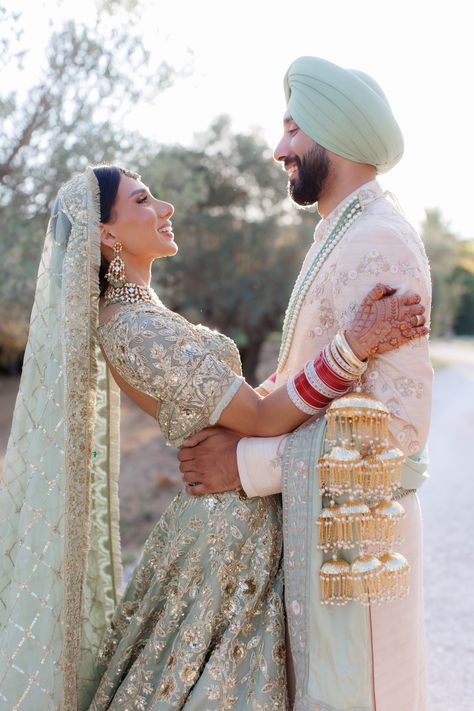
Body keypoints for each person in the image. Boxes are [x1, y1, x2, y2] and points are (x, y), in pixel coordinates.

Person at [0, 162, 426, 711]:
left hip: (231, 513)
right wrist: (354, 345)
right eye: (143, 201)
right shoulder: (135, 329)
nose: (165, 209)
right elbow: (266, 418)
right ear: (106, 234)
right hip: (225, 531)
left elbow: (247, 404)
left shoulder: (140, 313)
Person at [178, 56, 433, 711]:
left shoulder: (379, 241)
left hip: (358, 556)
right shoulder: (341, 234)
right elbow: (304, 381)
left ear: (334, 134)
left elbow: (398, 436)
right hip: (324, 541)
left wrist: (248, 463)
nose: (278, 149)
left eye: (293, 130)